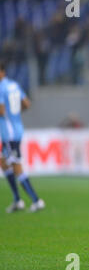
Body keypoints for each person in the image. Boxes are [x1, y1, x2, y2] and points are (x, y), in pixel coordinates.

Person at [0, 62, 45, 213]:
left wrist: (8, 116)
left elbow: (1, 111)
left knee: (16, 165)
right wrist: (15, 115)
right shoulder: (14, 85)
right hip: (17, 128)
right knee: (3, 162)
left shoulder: (0, 88)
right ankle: (17, 200)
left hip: (9, 133)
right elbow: (26, 103)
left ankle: (36, 200)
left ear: (2, 72)